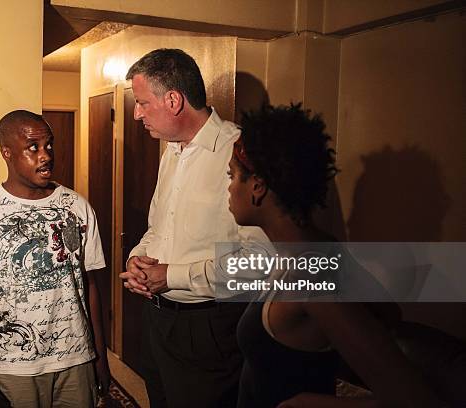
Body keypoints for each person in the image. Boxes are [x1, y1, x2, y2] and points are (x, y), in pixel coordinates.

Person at [227, 103, 441, 407]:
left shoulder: (311, 273)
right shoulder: (313, 250)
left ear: (258, 186)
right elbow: (387, 312)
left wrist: (311, 403)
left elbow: (414, 399)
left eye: (232, 175)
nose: (229, 187)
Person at [118, 49, 268, 408]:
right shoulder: (171, 152)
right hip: (156, 322)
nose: (136, 113)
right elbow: (158, 228)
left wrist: (173, 275)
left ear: (173, 100)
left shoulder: (241, 152)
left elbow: (261, 263)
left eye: (141, 103)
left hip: (209, 329)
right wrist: (139, 258)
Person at [0, 110, 110, 408]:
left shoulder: (76, 207)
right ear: (7, 153)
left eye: (49, 145)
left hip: (76, 360)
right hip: (13, 369)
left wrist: (99, 357)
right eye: (33, 147)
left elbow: (89, 288)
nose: (45, 155)